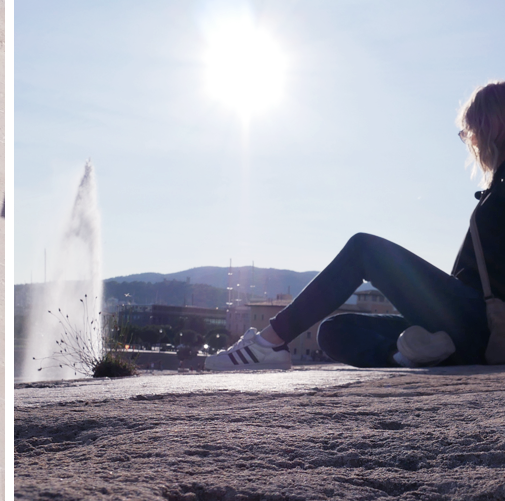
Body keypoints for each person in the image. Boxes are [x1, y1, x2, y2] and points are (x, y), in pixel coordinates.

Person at [206, 81, 505, 371]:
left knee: (365, 249)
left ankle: (268, 343)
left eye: (471, 130)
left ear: (491, 125)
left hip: (480, 322)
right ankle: (408, 356)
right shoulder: (496, 187)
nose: (471, 141)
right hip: (465, 331)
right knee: (335, 329)